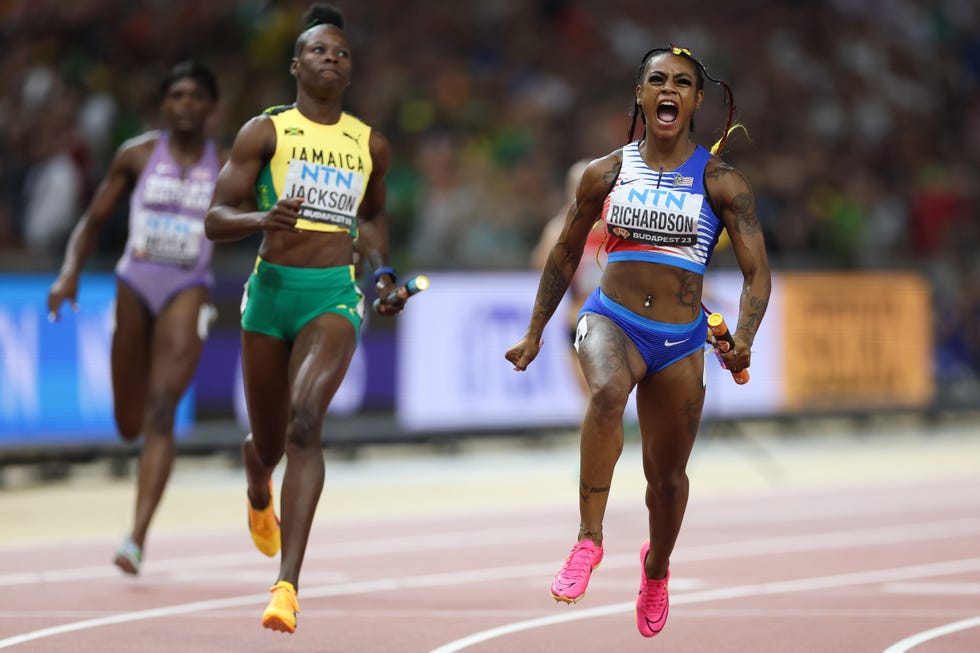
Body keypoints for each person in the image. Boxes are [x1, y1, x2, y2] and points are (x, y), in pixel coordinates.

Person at [505, 45, 771, 638]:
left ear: (697, 101)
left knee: (667, 479)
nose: (668, 88)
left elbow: (758, 271)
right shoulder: (605, 172)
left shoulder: (721, 181)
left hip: (680, 340)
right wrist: (533, 332)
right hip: (610, 317)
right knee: (604, 394)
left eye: (682, 82)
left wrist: (745, 336)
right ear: (641, 95)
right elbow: (566, 251)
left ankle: (655, 568)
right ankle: (588, 541)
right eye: (656, 80)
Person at [204, 3, 403, 634]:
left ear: (349, 72)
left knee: (304, 423)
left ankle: (286, 585)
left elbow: (371, 220)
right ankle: (257, 483)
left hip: (331, 296)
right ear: (297, 64)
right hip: (269, 293)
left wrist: (383, 275)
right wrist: (260, 220)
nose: (332, 59)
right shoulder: (266, 132)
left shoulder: (368, 142)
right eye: (319, 50)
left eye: (342, 53)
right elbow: (213, 219)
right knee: (268, 445)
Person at [46, 61, 223, 575]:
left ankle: (136, 537)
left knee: (164, 409)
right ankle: (139, 447)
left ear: (211, 107)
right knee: (129, 423)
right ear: (164, 104)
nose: (185, 104)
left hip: (189, 286)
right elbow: (94, 219)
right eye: (177, 95)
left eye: (195, 96)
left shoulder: (229, 162)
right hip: (135, 283)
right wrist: (68, 273)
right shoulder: (138, 154)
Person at [530, 158, 602, 397]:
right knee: (589, 395)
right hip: (578, 318)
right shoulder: (559, 227)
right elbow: (540, 267)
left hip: (614, 318)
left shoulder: (615, 224)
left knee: (604, 394)